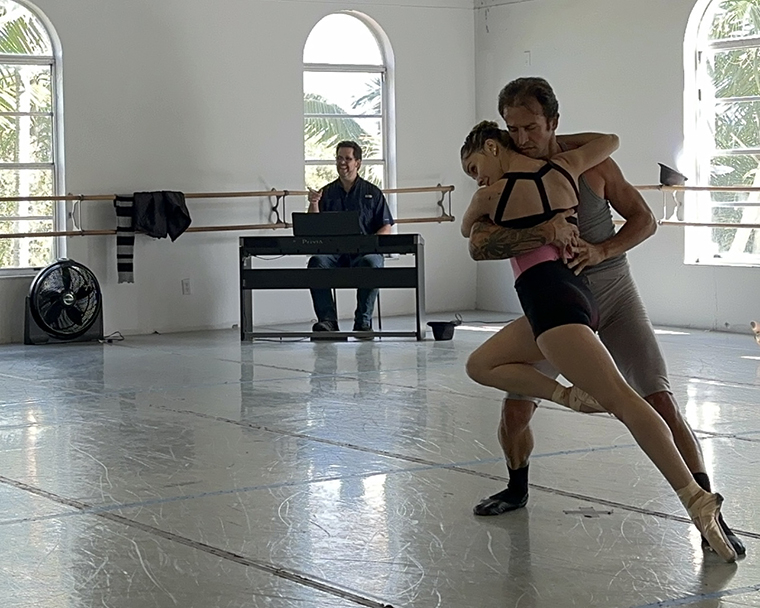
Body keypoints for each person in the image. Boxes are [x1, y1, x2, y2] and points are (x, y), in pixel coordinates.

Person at [467, 77, 745, 557]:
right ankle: (517, 487)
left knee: (658, 400)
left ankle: (708, 512)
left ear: (553, 122)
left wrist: (601, 250)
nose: (522, 138)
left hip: (613, 295)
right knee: (514, 411)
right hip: (556, 304)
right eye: (513, 129)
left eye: (531, 127)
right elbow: (482, 241)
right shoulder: (506, 177)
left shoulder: (591, 163)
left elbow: (645, 219)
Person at [306, 141, 394, 335]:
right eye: (339, 158)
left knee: (372, 263)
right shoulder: (326, 192)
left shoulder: (373, 192)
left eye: (347, 158)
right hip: (334, 253)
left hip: (364, 252)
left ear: (358, 163)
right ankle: (328, 321)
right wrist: (314, 204)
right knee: (316, 263)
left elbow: (386, 226)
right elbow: (313, 226)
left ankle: (363, 322)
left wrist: (370, 245)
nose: (342, 162)